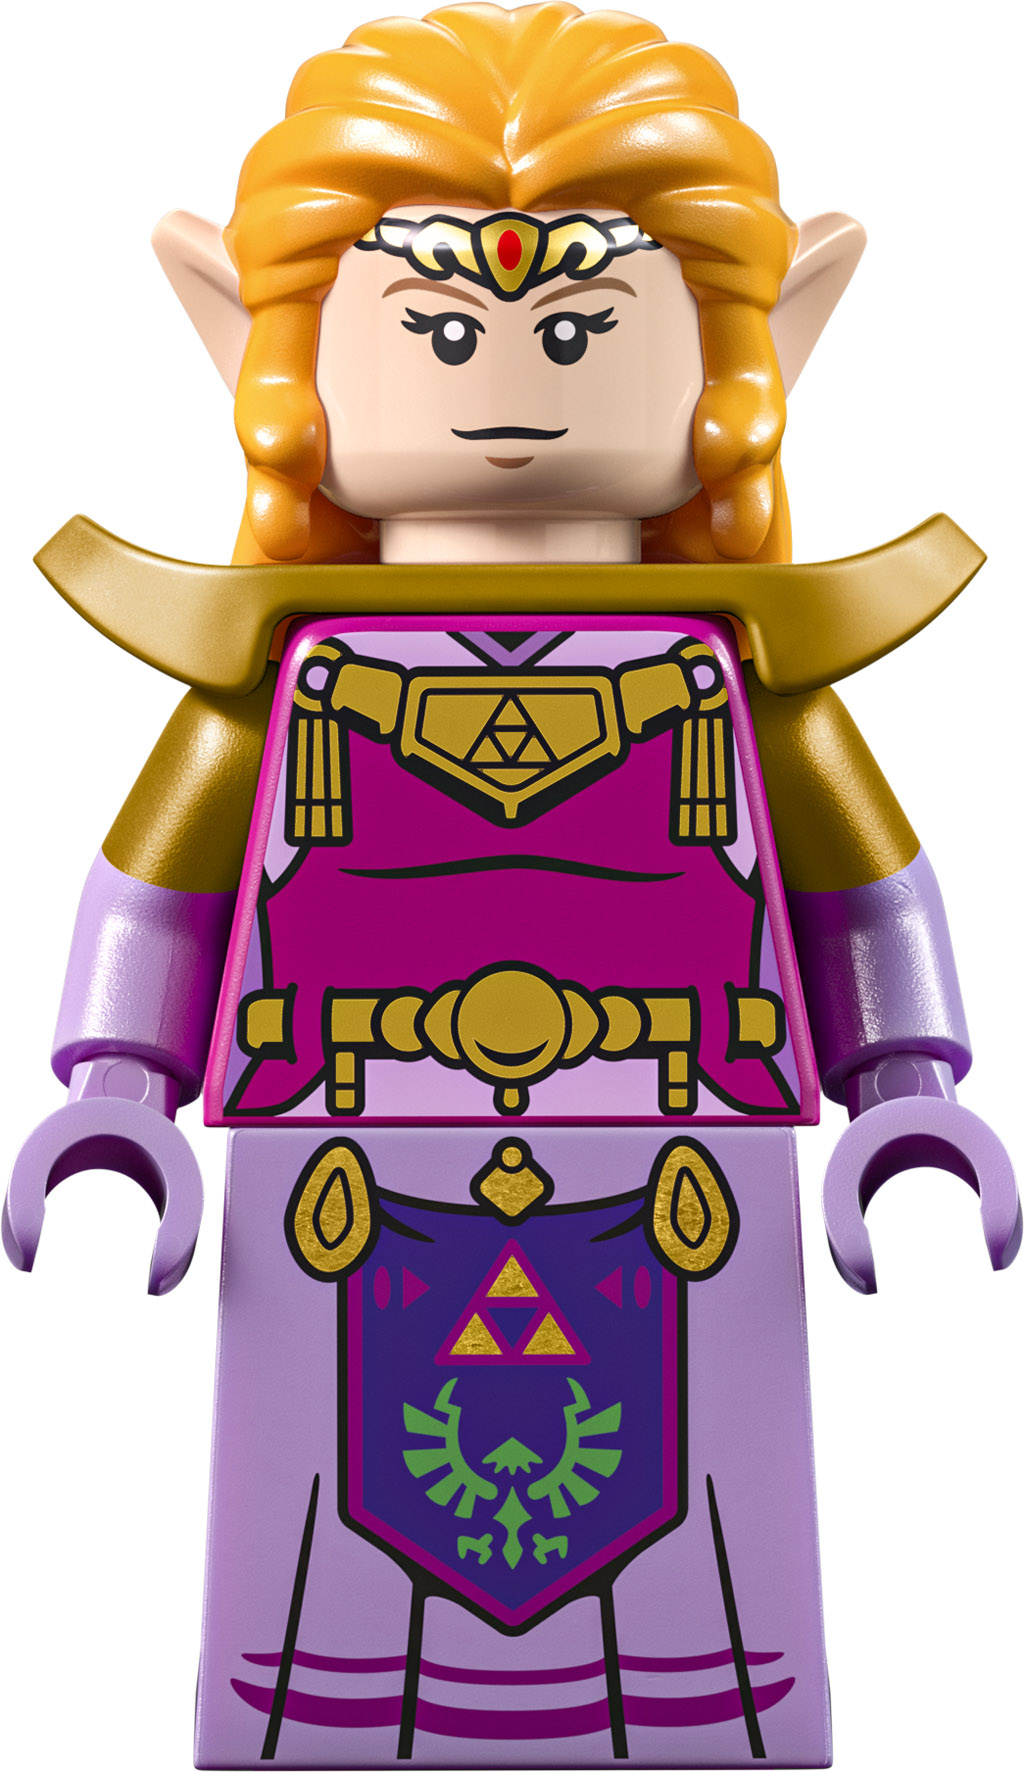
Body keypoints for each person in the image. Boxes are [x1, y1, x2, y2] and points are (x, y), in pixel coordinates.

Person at [5, 6, 1017, 1767]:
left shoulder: (745, 680)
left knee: (699, 1509)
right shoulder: (276, 684)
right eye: (438, 325)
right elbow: (156, 898)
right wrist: (114, 1091)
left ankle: (703, 1708)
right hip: (339, 1139)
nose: (505, 374)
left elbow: (867, 896)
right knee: (325, 1513)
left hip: (683, 1136)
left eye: (575, 327)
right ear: (254, 342)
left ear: (762, 345)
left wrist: (908, 1089)